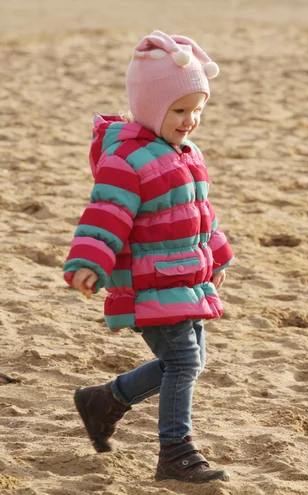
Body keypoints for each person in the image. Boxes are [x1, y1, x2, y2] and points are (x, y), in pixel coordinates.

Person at [63, 30, 234, 484]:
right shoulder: (127, 160)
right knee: (184, 363)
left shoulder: (186, 153)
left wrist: (217, 258)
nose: (190, 119)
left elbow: (200, 214)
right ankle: (176, 451)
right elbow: (106, 215)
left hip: (186, 278)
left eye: (197, 109)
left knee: (188, 360)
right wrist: (89, 263)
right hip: (150, 281)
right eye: (179, 110)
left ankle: (105, 401)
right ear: (151, 106)